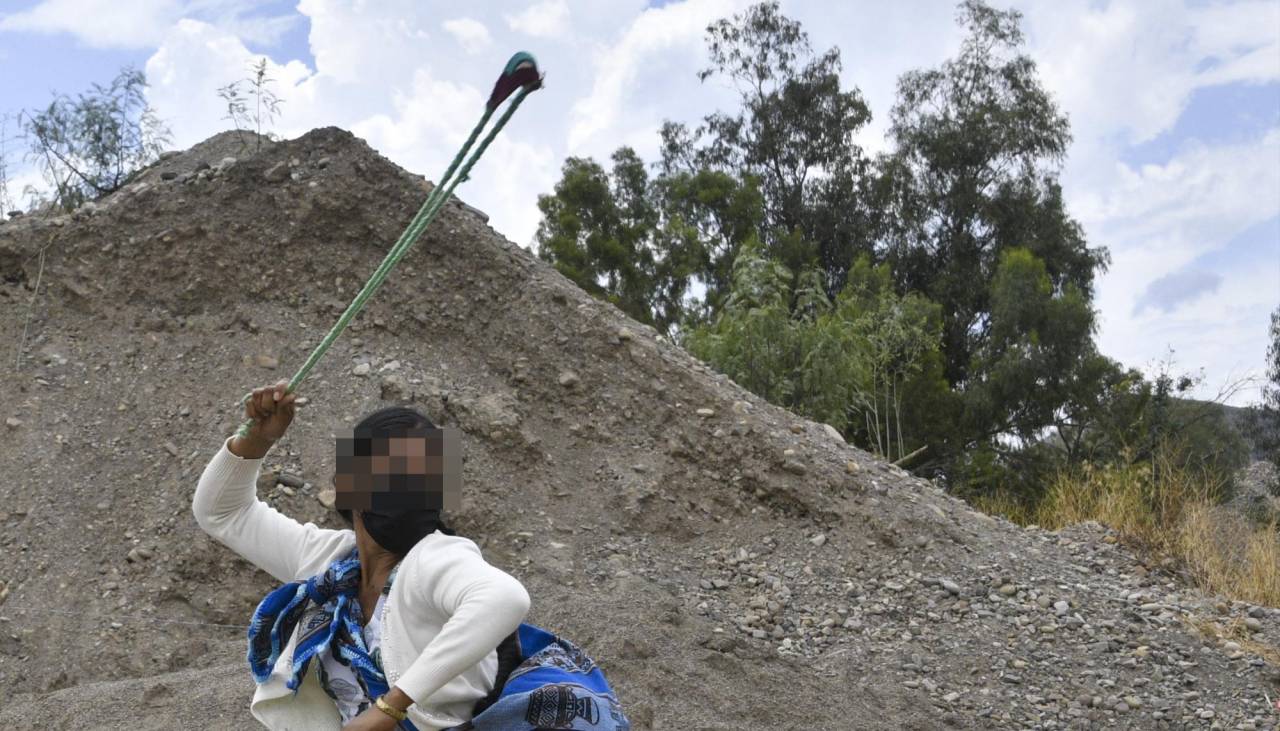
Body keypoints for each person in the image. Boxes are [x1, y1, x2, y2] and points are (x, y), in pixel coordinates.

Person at [193, 380, 530, 731]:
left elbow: (506, 597)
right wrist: (258, 439)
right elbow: (222, 513)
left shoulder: (436, 558)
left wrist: (391, 708)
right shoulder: (330, 561)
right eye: (396, 476)